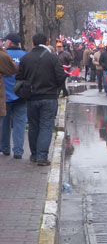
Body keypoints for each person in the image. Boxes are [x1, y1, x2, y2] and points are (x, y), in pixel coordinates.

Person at [16, 33, 67, 166]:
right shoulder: (52, 58)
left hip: (32, 97)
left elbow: (19, 77)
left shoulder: (25, 58)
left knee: (33, 125)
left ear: (33, 43)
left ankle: (34, 154)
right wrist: (54, 87)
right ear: (46, 42)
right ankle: (42, 157)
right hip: (49, 97)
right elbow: (61, 76)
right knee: (46, 126)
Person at [1, 33, 27, 159]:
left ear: (10, 42)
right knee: (20, 124)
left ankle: (5, 148)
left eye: (5, 41)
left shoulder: (3, 56)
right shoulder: (25, 56)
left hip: (5, 95)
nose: (4, 43)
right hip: (21, 95)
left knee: (4, 124)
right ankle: (18, 151)